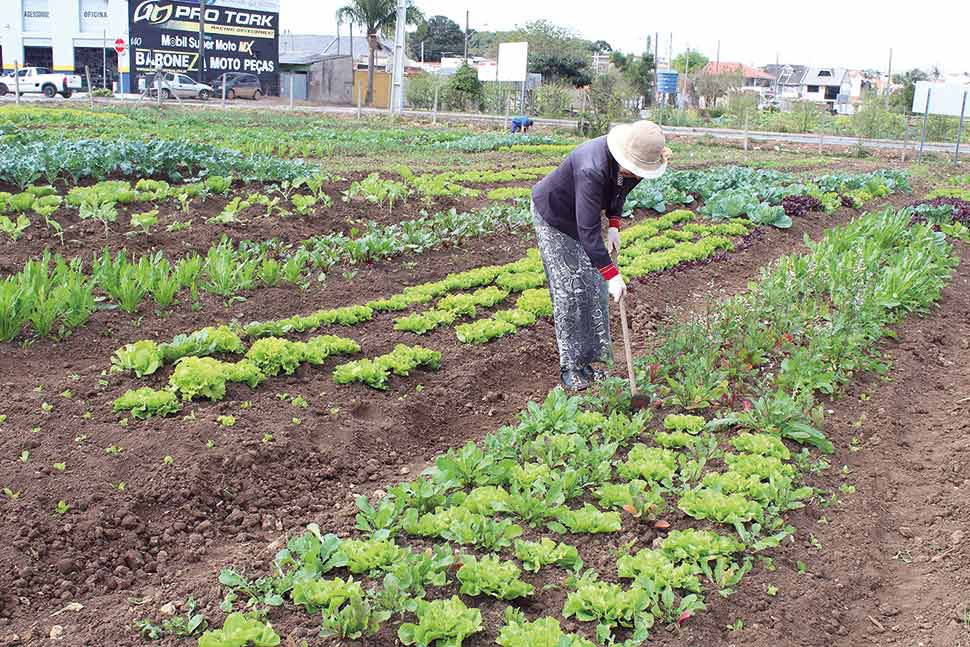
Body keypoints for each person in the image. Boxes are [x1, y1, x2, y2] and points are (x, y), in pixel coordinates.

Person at [531, 120, 671, 391]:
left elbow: (621, 190)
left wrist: (615, 224)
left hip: (583, 217)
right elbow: (588, 231)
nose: (636, 174)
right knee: (571, 291)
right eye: (635, 169)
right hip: (556, 217)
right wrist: (612, 275)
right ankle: (570, 367)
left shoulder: (631, 166)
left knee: (593, 290)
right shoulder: (591, 168)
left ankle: (588, 363)